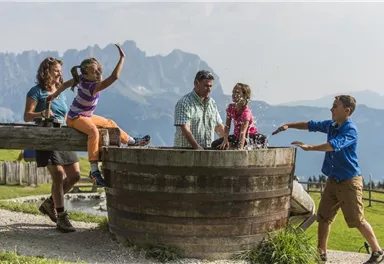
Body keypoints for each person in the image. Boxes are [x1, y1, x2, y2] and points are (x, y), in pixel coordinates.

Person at [272, 95, 382, 264]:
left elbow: (334, 145)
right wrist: (289, 125)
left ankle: (377, 251)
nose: (331, 109)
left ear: (347, 111)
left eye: (335, 106)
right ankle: (320, 254)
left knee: (357, 220)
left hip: (349, 182)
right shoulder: (331, 125)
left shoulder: (350, 129)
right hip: (333, 180)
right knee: (323, 217)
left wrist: (310, 148)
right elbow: (310, 125)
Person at [47, 44, 150, 187]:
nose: (97, 73)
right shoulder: (93, 87)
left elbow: (64, 85)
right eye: (94, 72)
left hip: (86, 116)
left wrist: (54, 95)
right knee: (93, 131)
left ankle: (132, 141)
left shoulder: (82, 79)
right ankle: (94, 170)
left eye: (98, 70)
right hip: (74, 118)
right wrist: (122, 58)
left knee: (110, 123)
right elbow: (115, 77)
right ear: (85, 74)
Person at [24, 57, 81, 233]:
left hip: (63, 136)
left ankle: (50, 203)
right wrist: (42, 112)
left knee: (75, 176)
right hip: (46, 136)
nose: (59, 73)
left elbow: (63, 116)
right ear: (46, 72)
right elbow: (27, 116)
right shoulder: (36, 91)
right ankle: (62, 217)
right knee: (58, 175)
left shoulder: (60, 92)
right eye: (56, 70)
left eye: (60, 71)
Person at [174, 70, 224, 149]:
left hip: (207, 153)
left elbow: (218, 127)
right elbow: (184, 128)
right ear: (196, 84)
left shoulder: (212, 103)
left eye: (211, 86)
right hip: (185, 154)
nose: (209, 89)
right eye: (206, 86)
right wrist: (196, 147)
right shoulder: (184, 103)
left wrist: (226, 141)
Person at [211, 83, 267, 149]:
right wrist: (225, 140)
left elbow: (243, 133)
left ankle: (236, 146)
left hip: (249, 137)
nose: (233, 94)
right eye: (233, 92)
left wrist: (240, 149)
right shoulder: (231, 108)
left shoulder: (246, 112)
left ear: (244, 96)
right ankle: (232, 145)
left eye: (237, 92)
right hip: (237, 137)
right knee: (214, 144)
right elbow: (227, 126)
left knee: (263, 139)